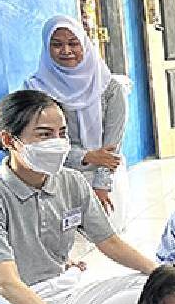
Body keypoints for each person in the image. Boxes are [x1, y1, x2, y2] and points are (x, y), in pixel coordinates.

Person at [0, 90, 155, 304]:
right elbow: (5, 282)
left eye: (61, 133)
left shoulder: (72, 181)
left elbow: (110, 242)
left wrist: (164, 275)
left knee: (152, 289)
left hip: (63, 291)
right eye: (43, 135)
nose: (57, 143)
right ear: (9, 140)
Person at [24, 15, 129, 228]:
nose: (66, 51)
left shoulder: (110, 87)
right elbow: (41, 144)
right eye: (57, 44)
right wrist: (86, 156)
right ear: (46, 48)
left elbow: (112, 146)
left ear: (85, 44)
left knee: (106, 238)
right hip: (54, 176)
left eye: (73, 43)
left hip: (105, 176)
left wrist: (101, 186)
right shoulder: (36, 91)